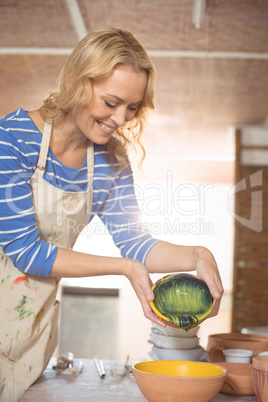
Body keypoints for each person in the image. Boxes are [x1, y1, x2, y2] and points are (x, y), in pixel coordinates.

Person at [0, 27, 223, 401]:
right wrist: (122, 268)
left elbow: (135, 243)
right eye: (110, 102)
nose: (121, 118)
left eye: (132, 107)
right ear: (75, 80)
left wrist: (197, 254)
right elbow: (25, 250)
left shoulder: (110, 161)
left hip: (28, 337)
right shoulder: (12, 138)